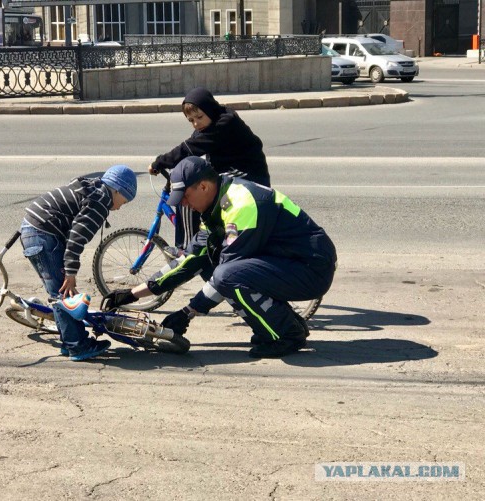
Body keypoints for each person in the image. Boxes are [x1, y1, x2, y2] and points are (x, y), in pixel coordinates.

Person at [107, 157, 337, 358]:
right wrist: (132, 294)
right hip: (288, 263)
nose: (184, 204)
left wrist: (187, 313)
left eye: (185, 196)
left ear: (204, 187)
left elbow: (225, 276)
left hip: (311, 269)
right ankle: (287, 323)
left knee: (227, 275)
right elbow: (191, 259)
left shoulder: (241, 205)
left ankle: (287, 335)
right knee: (212, 264)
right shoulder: (218, 202)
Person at [20, 165, 137, 361]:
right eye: (123, 201)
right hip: (42, 234)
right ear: (116, 189)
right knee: (63, 293)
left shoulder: (93, 188)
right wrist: (71, 274)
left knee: (61, 293)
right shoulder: (99, 203)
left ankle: (71, 341)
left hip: (35, 230)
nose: (119, 207)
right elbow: (76, 240)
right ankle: (78, 346)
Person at [149, 87, 270, 251]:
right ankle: (206, 240)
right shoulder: (207, 125)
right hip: (232, 171)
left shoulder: (225, 123)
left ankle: (187, 248)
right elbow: (190, 149)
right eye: (191, 120)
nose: (196, 123)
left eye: (199, 117)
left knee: (188, 196)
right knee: (197, 191)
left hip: (248, 175)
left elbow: (190, 148)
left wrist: (160, 163)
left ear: (209, 110)